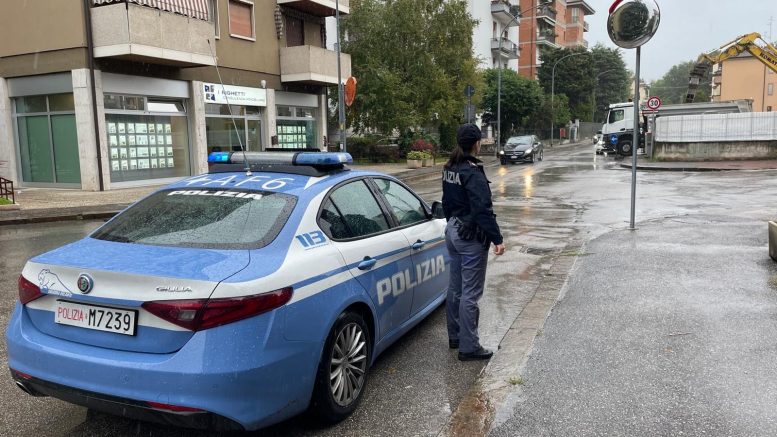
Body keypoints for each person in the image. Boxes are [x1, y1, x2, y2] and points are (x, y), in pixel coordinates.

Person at [442, 123, 506, 361]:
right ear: (477, 144)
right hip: (470, 237)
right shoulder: (472, 171)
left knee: (455, 288)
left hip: (453, 230)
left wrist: (453, 224)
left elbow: (446, 201)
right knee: (470, 293)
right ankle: (469, 347)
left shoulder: (450, 167)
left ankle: (456, 337)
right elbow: (482, 210)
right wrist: (497, 239)